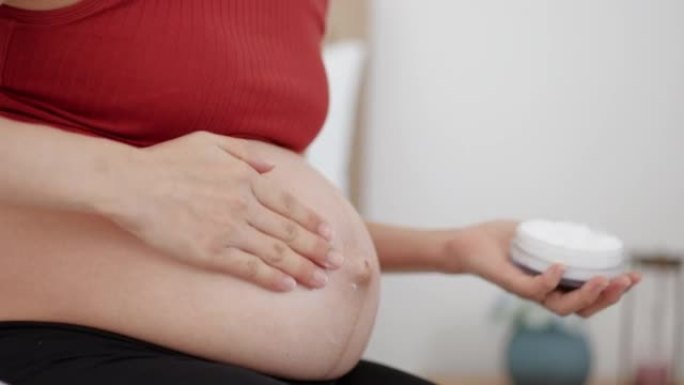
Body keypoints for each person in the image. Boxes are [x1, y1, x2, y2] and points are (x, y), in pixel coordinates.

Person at [0, 1, 640, 384]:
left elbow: (251, 218)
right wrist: (126, 179)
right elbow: (170, 197)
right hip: (56, 335)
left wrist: (453, 250)